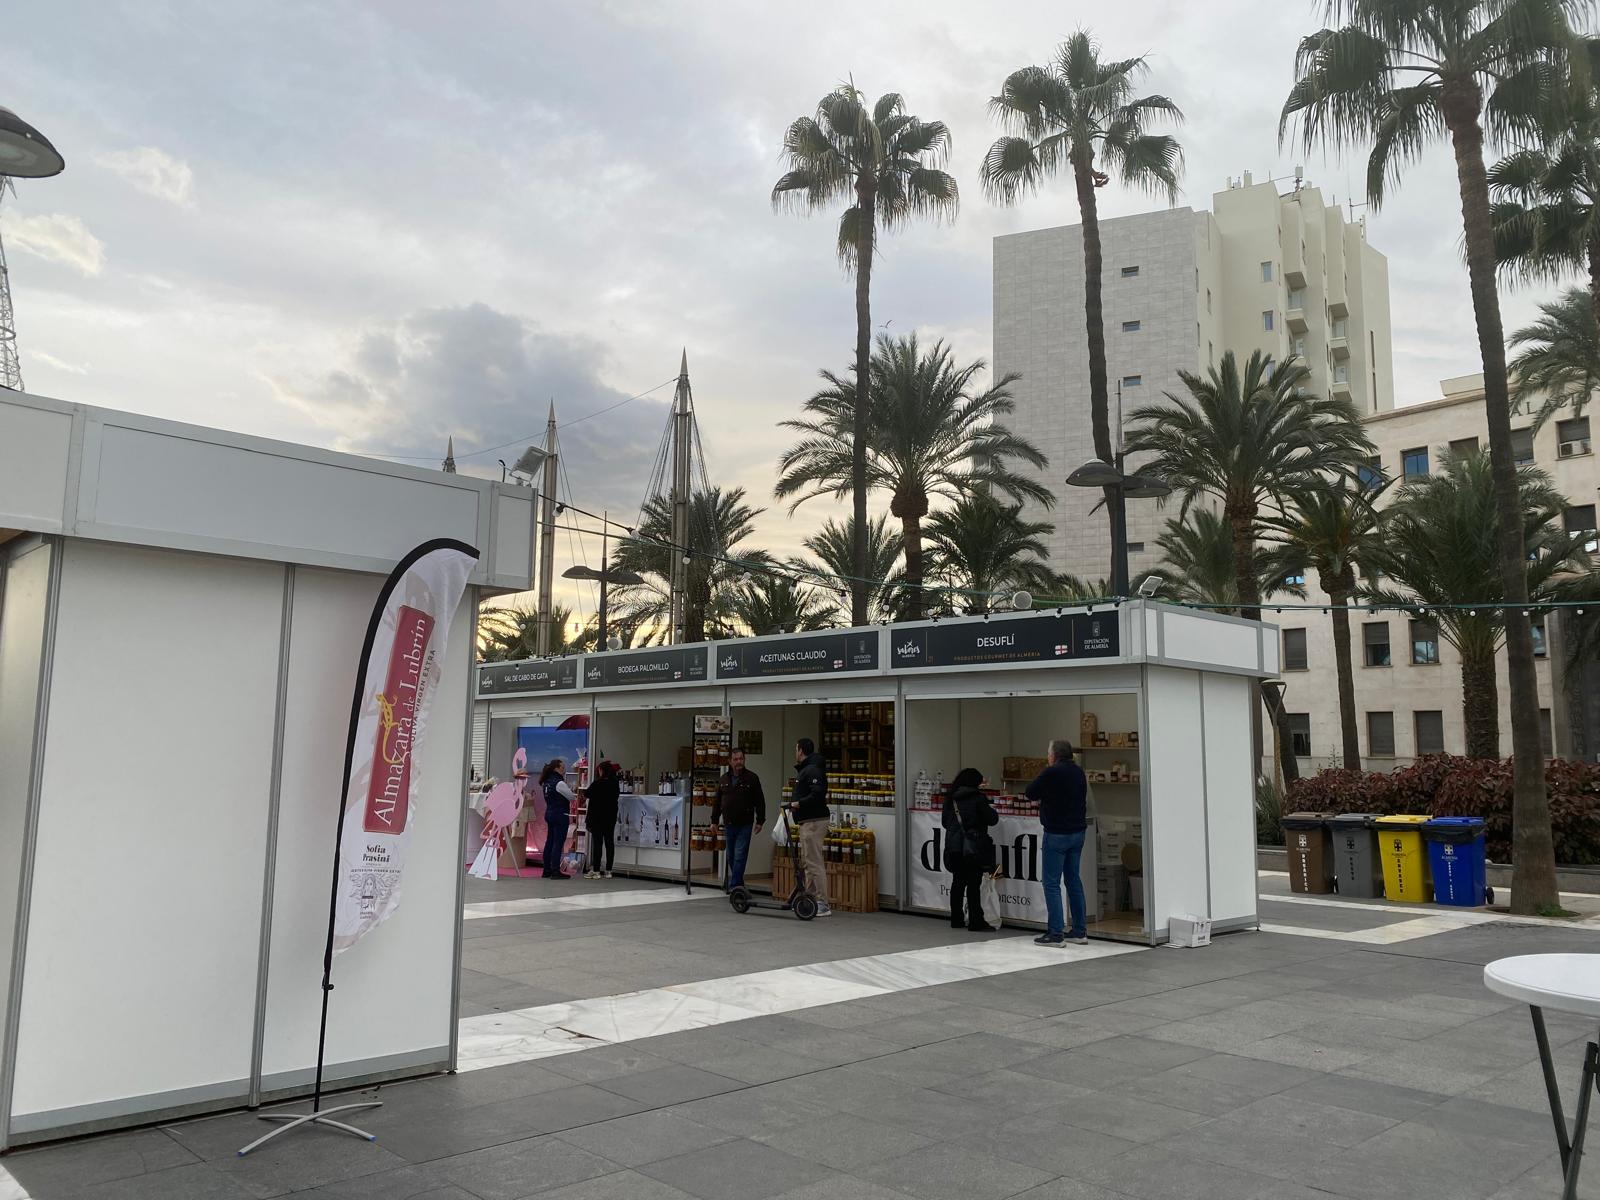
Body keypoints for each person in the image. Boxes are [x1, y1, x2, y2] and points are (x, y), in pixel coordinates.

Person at [1027, 739, 1089, 946]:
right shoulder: (1079, 772)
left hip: (1056, 833)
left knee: (1051, 883)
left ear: (1054, 755)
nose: (1047, 756)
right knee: (1073, 880)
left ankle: (1055, 934)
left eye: (1048, 753)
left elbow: (1030, 792)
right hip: (1078, 831)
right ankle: (1079, 931)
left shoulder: (1051, 772)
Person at [942, 768, 999, 932]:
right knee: (974, 884)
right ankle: (976, 921)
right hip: (973, 848)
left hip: (953, 847)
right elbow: (992, 819)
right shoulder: (978, 798)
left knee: (957, 882)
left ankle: (956, 919)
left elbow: (945, 822)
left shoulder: (950, 798)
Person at [787, 738, 831, 917]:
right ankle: (809, 898)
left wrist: (799, 803)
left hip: (813, 820)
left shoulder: (812, 769)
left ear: (801, 750)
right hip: (808, 820)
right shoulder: (808, 768)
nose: (795, 753)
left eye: (796, 749)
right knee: (808, 862)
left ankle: (822, 903)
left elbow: (818, 793)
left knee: (814, 862)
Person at [713, 748, 765, 891]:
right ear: (729, 761)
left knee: (740, 855)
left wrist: (760, 820)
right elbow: (717, 802)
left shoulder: (752, 778)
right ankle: (739, 883)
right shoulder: (724, 779)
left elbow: (760, 800)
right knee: (731, 855)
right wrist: (714, 820)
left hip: (745, 824)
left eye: (741, 759)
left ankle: (735, 886)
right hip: (729, 824)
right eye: (735, 759)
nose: (738, 762)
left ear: (744, 759)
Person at [539, 758, 577, 880]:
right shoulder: (559, 783)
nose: (564, 769)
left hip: (549, 813)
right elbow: (571, 797)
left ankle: (546, 870)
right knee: (558, 842)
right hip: (560, 814)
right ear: (556, 768)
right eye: (562, 767)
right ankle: (555, 870)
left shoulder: (547, 782)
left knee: (549, 842)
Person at [583, 761, 620, 879]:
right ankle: (609, 870)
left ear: (601, 771)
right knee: (609, 843)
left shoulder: (597, 783)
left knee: (597, 843)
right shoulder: (615, 783)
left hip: (597, 817)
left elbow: (587, 793)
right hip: (610, 817)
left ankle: (596, 870)